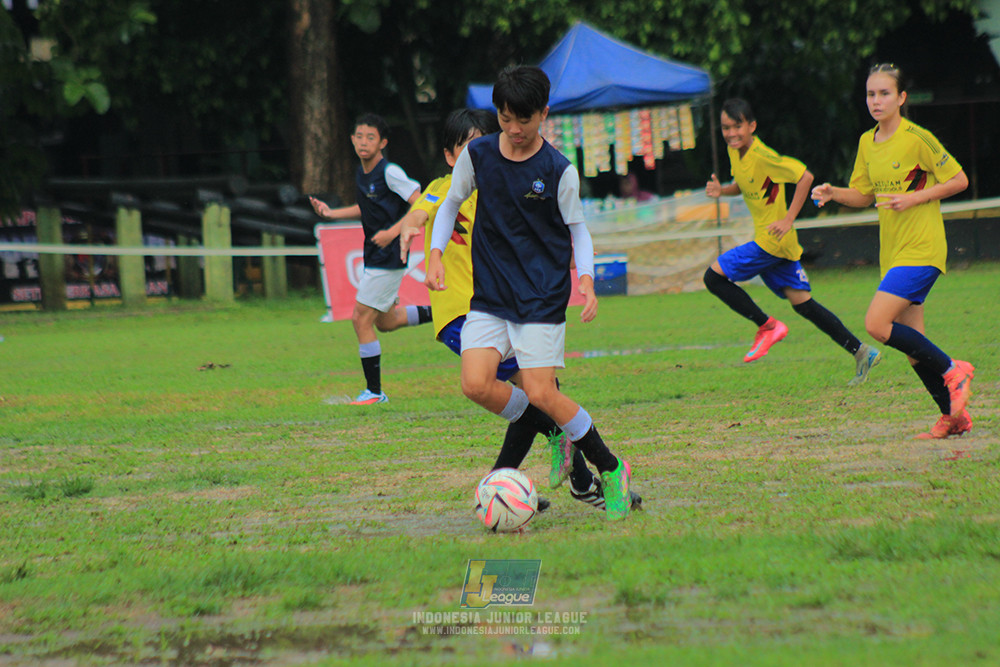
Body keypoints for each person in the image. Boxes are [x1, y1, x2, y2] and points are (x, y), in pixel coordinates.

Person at [399, 108, 640, 514]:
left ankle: (562, 478)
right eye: (465, 148)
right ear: (450, 156)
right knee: (526, 394)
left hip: (513, 302)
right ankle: (556, 465)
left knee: (541, 394)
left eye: (481, 143)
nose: (476, 153)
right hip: (461, 309)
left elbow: (550, 229)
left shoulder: (504, 184)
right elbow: (428, 209)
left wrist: (576, 265)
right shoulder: (445, 187)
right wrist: (408, 228)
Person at [812, 64, 973, 439]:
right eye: (871, 94)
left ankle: (954, 370)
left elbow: (960, 179)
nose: (876, 101)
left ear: (901, 98)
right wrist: (834, 192)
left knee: (876, 325)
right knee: (914, 347)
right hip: (894, 254)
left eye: (884, 93)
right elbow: (864, 195)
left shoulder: (918, 138)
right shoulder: (867, 142)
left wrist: (915, 197)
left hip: (923, 249)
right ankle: (954, 417)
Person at [704, 98, 882, 386]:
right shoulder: (735, 152)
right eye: (726, 127)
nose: (731, 133)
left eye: (737, 126)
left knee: (713, 278)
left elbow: (805, 176)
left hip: (771, 241)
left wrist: (788, 219)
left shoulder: (763, 155)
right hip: (778, 244)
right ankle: (861, 351)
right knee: (804, 305)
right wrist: (721, 190)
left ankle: (768, 326)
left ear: (752, 126)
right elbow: (743, 182)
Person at [310, 113, 431, 406]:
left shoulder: (390, 172)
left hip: (389, 256)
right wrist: (330, 214)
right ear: (352, 140)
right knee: (386, 322)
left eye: (371, 137)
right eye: (360, 136)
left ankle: (374, 392)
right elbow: (366, 209)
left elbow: (422, 201)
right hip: (375, 255)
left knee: (360, 319)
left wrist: (392, 232)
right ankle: (445, 313)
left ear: (382, 143)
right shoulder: (362, 172)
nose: (364, 142)